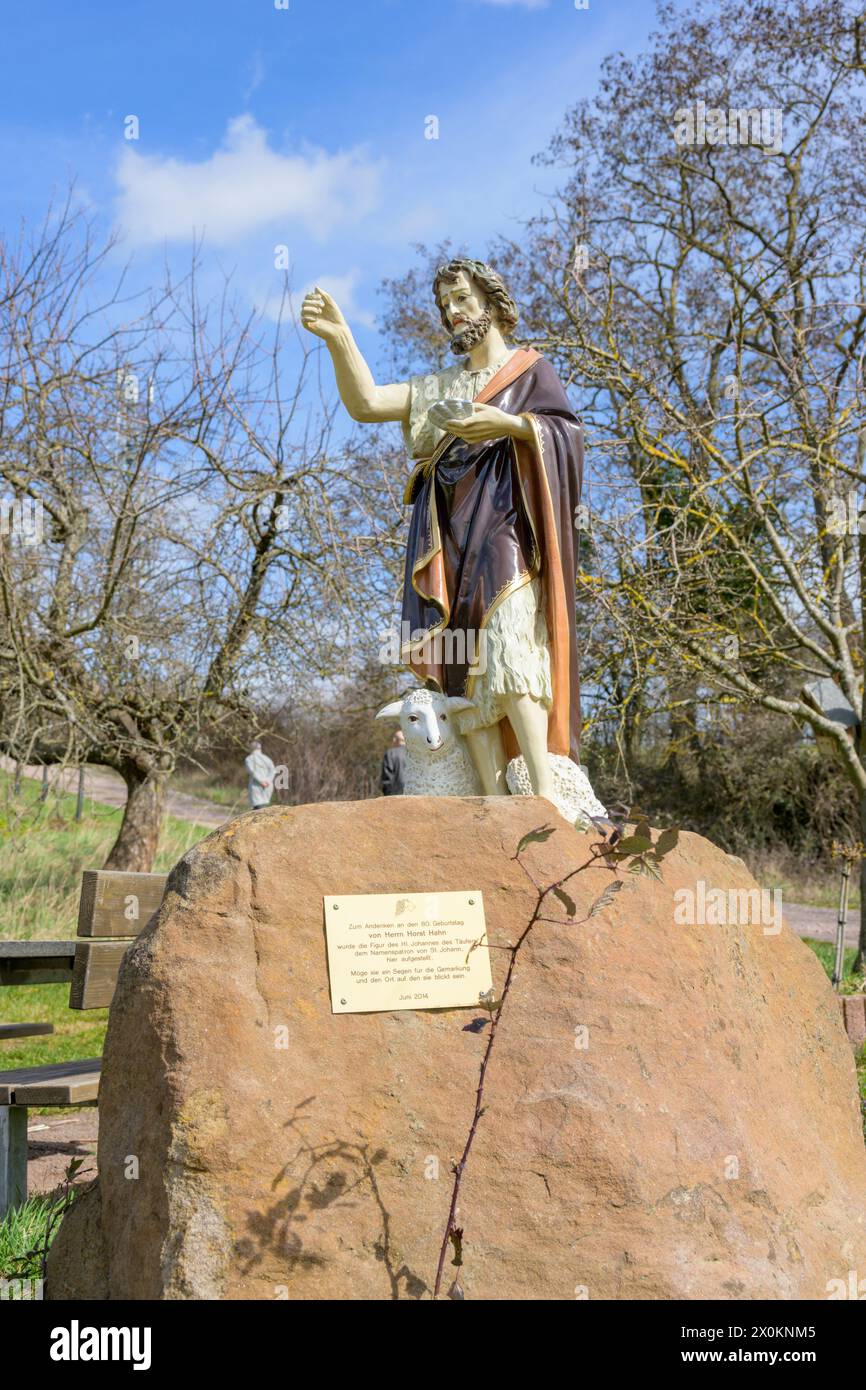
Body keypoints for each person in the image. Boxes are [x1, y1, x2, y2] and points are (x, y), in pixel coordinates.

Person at [301, 259, 593, 815]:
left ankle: (543, 797)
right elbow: (366, 404)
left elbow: (567, 436)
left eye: (460, 299)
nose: (452, 314)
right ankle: (489, 804)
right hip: (450, 544)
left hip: (507, 532)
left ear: (491, 302)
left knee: (511, 649)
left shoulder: (529, 372)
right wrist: (340, 338)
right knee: (466, 672)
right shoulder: (439, 388)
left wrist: (506, 424)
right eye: (444, 307)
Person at [244, 740, 276, 809]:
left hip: (256, 786)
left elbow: (252, 772)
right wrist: (268, 781)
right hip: (268, 785)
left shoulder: (249, 759)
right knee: (264, 805)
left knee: (258, 806)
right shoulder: (267, 759)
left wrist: (261, 781)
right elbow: (273, 771)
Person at [380, 729, 406, 796]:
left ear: (396, 740)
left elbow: (387, 777)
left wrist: (387, 794)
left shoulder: (390, 753)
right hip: (413, 793)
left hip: (395, 795)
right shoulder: (414, 753)